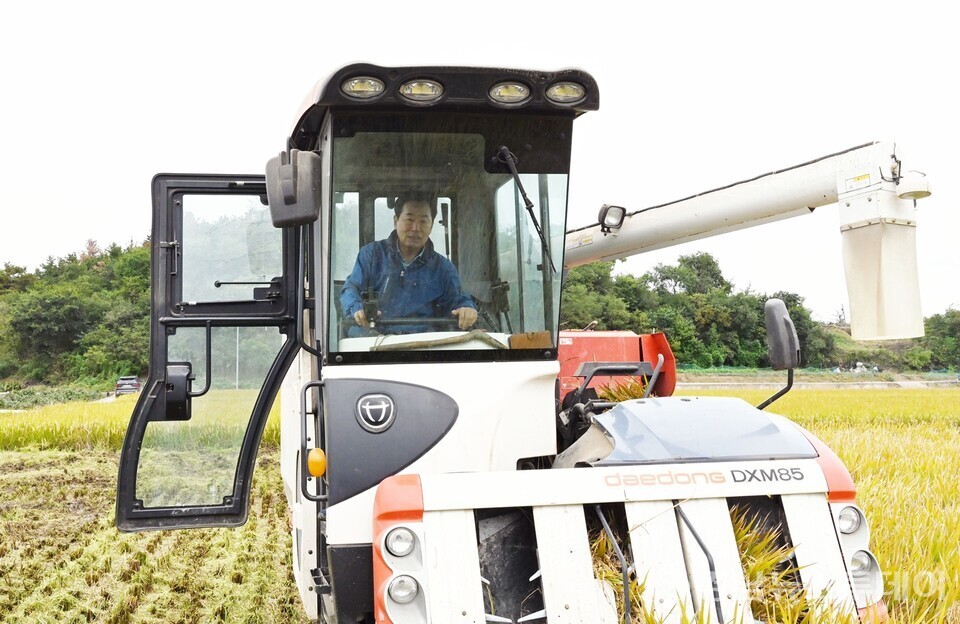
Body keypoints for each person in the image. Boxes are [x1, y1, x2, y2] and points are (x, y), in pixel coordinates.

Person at [340, 194, 477, 334]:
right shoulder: (371, 255)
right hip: (375, 342)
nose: (415, 228)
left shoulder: (444, 268)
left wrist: (466, 308)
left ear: (431, 226)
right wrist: (356, 308)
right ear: (395, 221)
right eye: (409, 219)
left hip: (426, 347)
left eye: (423, 221)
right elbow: (351, 289)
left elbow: (458, 300)